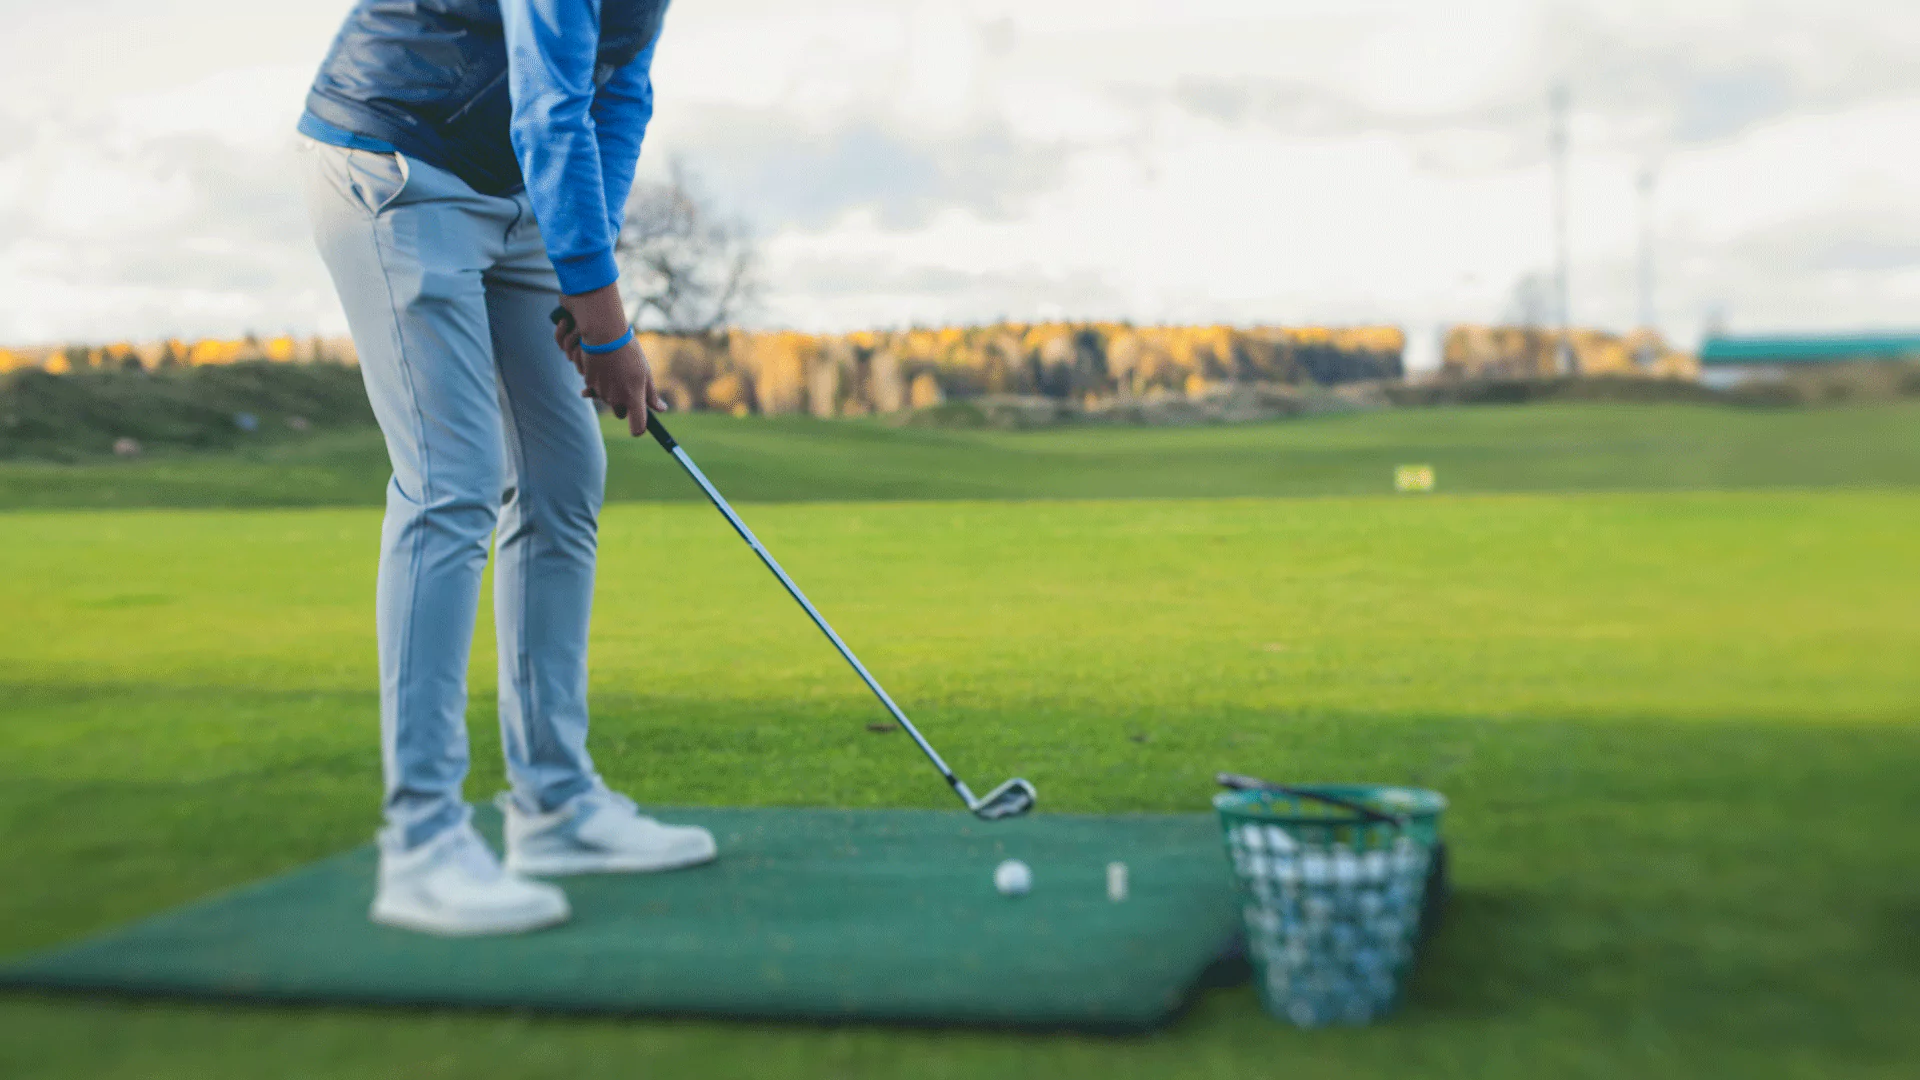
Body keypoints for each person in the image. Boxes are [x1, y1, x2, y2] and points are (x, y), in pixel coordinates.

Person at [296, 0, 714, 937]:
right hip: (394, 165)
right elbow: (552, 100)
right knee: (452, 484)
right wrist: (606, 327)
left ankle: (557, 804)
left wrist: (586, 272)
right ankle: (423, 843)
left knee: (566, 476)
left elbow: (621, 89)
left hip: (514, 187)